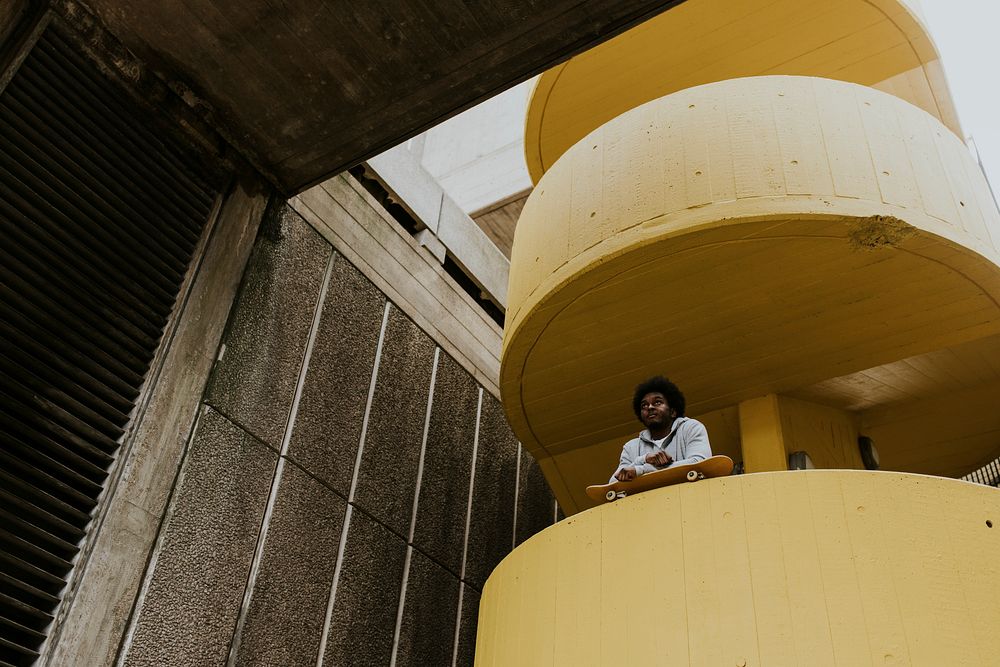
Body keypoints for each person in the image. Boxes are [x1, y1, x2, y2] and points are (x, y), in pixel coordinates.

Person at [610, 376, 712, 483]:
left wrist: (641, 470)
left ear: (673, 411)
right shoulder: (631, 447)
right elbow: (613, 482)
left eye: (657, 402)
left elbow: (700, 463)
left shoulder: (691, 428)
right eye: (644, 405)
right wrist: (644, 459)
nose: (649, 407)